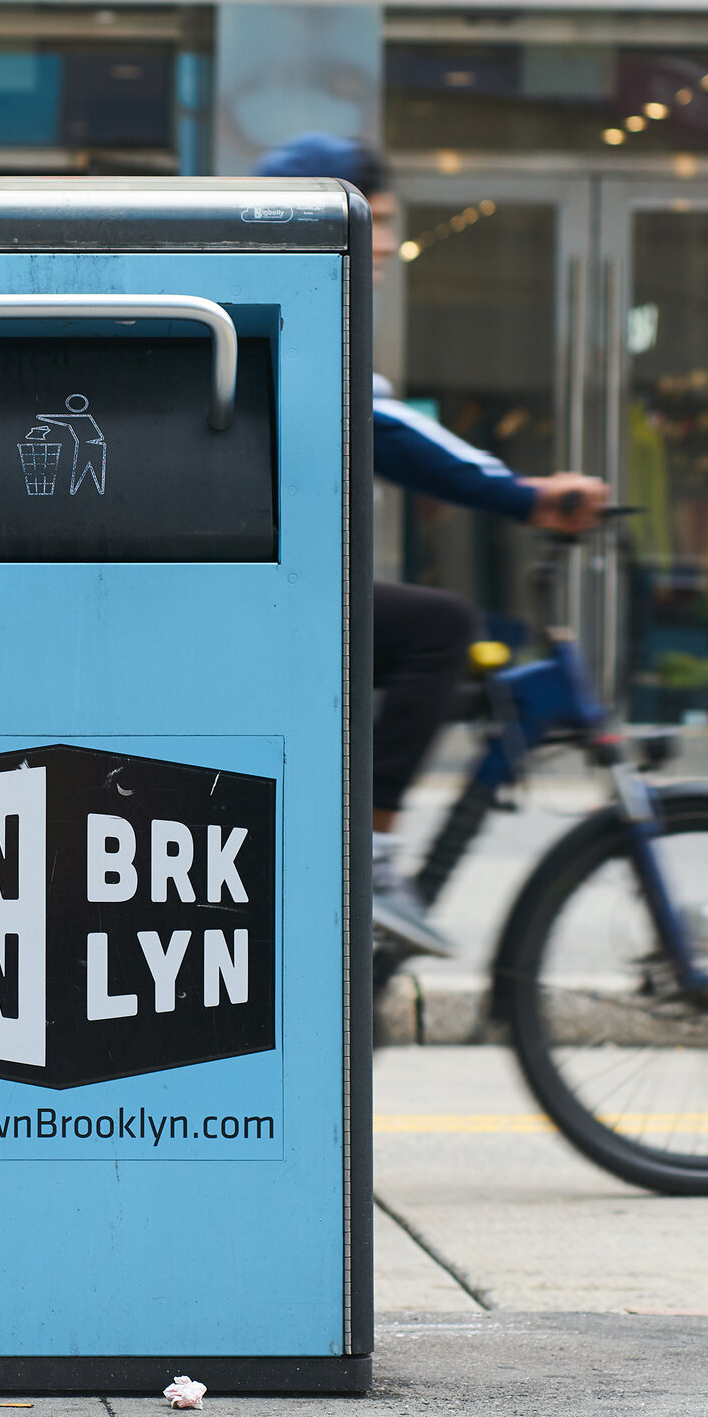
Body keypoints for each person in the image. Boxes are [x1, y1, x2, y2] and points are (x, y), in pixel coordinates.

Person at [255, 133, 610, 956]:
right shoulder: (298, 311)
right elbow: (385, 427)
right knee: (438, 630)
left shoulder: (293, 304)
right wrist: (525, 496)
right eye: (369, 219)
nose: (382, 243)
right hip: (249, 598)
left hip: (255, 587)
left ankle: (347, 840)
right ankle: (371, 861)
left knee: (423, 646)